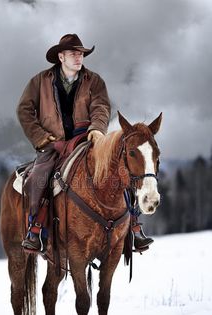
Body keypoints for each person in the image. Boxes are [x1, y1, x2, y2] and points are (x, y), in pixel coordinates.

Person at [17, 33, 153, 254]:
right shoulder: (39, 81)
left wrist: (97, 130)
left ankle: (134, 228)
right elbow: (24, 110)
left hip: (87, 138)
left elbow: (101, 107)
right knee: (36, 177)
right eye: (73, 53)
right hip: (53, 143)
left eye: (81, 54)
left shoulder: (94, 80)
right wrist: (41, 138)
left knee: (121, 170)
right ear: (61, 57)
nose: (79, 57)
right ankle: (35, 229)